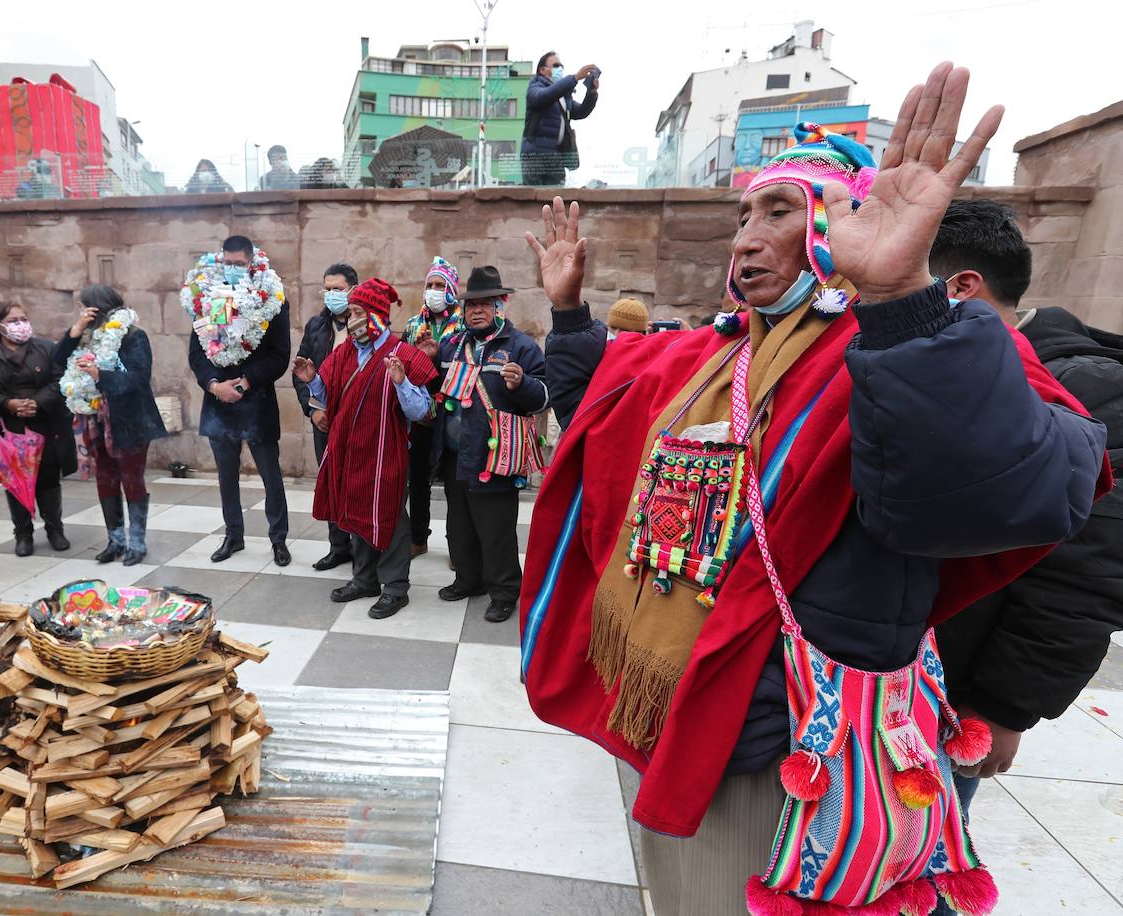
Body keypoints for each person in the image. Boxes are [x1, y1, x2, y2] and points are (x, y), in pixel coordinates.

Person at [519, 63, 1110, 915]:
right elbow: (604, 421)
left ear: (842, 223)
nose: (745, 240)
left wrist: (901, 302)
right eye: (743, 218)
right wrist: (572, 316)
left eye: (778, 212)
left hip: (794, 734)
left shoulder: (910, 343)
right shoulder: (709, 354)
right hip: (671, 706)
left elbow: (1011, 491)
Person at [929, 200, 1123, 877]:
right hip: (878, 679)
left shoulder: (1088, 393)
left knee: (923, 863)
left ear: (961, 288)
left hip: (954, 694)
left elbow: (1085, 579)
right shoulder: (936, 368)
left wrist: (1001, 708)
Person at [293, 278, 438, 619]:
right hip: (350, 449)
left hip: (386, 451)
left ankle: (396, 588)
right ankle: (364, 579)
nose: (351, 319)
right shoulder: (344, 353)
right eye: (351, 313)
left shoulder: (405, 355)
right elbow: (328, 396)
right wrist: (313, 380)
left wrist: (401, 383)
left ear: (377, 315)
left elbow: (421, 411)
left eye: (358, 312)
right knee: (355, 510)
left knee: (390, 515)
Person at [422, 266, 549, 623]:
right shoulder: (452, 346)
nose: (476, 310)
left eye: (485, 304)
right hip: (455, 455)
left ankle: (505, 592)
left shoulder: (521, 346)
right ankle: (468, 579)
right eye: (471, 305)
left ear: (499, 305)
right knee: (459, 525)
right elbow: (435, 390)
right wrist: (428, 360)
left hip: (495, 456)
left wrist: (522, 384)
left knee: (496, 530)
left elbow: (544, 397)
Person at [187, 235, 293, 567]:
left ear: (252, 262)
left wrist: (247, 382)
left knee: (270, 475)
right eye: (228, 263)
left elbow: (280, 356)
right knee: (226, 476)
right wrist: (214, 385)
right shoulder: (208, 299)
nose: (233, 268)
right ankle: (233, 536)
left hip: (257, 401)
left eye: (239, 264)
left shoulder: (273, 299)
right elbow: (197, 353)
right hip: (219, 403)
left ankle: (279, 539)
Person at [55, 285, 167, 566]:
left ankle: (137, 543)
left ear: (98, 307)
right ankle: (115, 540)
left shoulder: (132, 335)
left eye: (85, 306)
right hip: (94, 418)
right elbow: (56, 360)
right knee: (105, 477)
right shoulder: (85, 336)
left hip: (129, 420)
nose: (83, 311)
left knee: (131, 478)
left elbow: (139, 378)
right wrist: (75, 329)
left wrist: (99, 375)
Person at [0, 301, 76, 557]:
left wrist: (37, 402)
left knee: (48, 478)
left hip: (43, 420)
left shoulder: (45, 347)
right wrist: (7, 403)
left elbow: (59, 380)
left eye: (23, 319)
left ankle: (55, 528)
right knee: (15, 479)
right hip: (7, 424)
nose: (20, 325)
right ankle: (23, 533)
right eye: (13, 321)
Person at [294, 262, 358, 570]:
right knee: (331, 482)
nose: (332, 294)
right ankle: (339, 546)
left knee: (357, 483)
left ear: (353, 290)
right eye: (327, 289)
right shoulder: (316, 326)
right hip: (324, 419)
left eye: (338, 289)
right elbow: (300, 371)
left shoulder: (366, 324)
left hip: (357, 419)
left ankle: (364, 549)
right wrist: (312, 409)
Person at [403, 257, 463, 559]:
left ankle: (457, 545)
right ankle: (418, 538)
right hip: (421, 417)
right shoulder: (413, 325)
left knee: (454, 485)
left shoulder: (463, 326)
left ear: (452, 289)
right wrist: (418, 356)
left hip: (453, 417)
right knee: (418, 481)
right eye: (430, 285)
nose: (434, 291)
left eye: (440, 285)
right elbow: (403, 368)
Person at [520, 51, 599, 187]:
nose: (560, 69)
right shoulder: (535, 87)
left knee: (556, 196)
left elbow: (581, 111)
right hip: (534, 156)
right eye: (556, 65)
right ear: (542, 70)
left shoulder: (564, 97)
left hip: (556, 156)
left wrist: (591, 92)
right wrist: (574, 78)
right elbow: (544, 96)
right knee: (533, 197)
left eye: (561, 66)